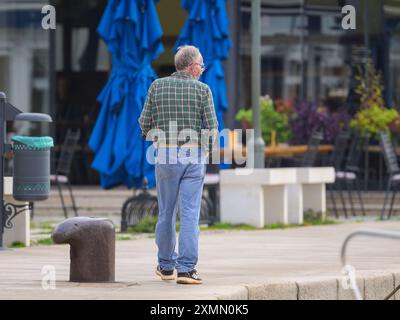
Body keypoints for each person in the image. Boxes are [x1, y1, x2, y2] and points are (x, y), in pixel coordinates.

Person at [139, 45, 219, 284]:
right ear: (193, 67)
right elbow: (212, 129)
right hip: (193, 155)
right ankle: (186, 270)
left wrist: (156, 139)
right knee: (190, 213)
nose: (202, 70)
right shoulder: (203, 90)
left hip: (164, 154)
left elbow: (144, 123)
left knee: (166, 212)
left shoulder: (156, 86)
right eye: (201, 65)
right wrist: (204, 149)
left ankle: (165, 267)